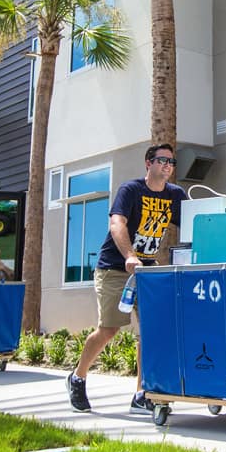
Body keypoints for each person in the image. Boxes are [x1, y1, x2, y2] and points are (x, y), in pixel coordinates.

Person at [67, 143, 187, 414]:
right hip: (115, 267)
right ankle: (78, 376)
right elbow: (117, 223)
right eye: (161, 160)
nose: (167, 166)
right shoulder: (131, 190)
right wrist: (130, 255)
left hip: (148, 271)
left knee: (151, 330)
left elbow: (194, 222)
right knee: (109, 329)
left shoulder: (176, 195)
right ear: (148, 163)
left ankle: (142, 393)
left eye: (171, 162)